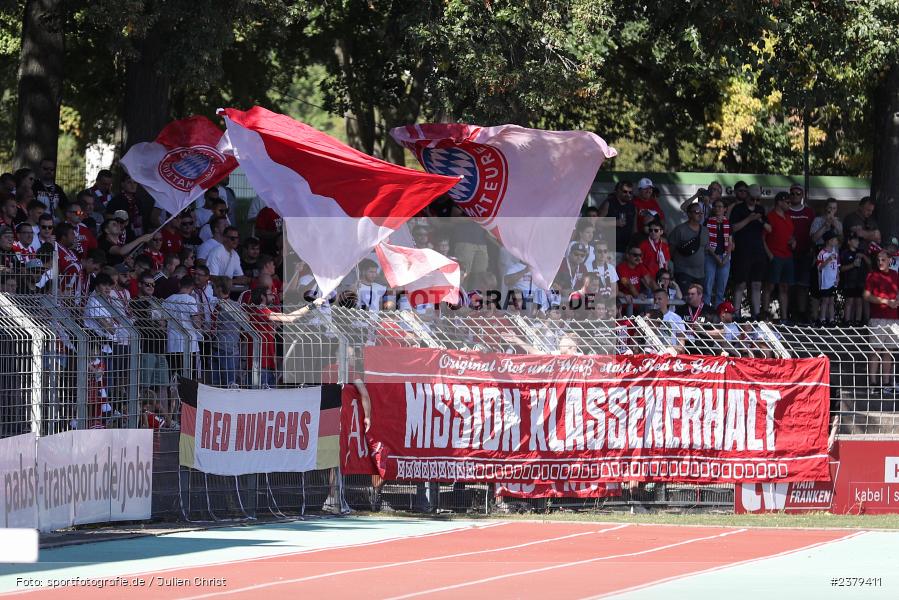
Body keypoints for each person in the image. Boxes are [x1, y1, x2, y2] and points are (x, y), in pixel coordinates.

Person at [728, 182, 770, 320]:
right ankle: (736, 313)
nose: (755, 202)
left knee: (757, 283)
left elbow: (770, 228)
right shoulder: (738, 209)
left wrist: (761, 221)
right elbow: (733, 228)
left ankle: (756, 314)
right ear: (747, 196)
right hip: (742, 251)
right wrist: (749, 219)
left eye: (758, 199)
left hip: (758, 251)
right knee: (741, 283)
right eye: (753, 199)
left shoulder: (760, 209)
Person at [864, 250, 899, 397]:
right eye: (878, 260)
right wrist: (886, 301)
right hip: (877, 318)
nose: (880, 262)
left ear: (889, 260)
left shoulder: (895, 275)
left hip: (894, 319)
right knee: (875, 352)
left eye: (883, 260)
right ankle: (872, 384)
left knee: (889, 352)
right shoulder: (872, 275)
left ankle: (886, 384)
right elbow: (866, 296)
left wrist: (896, 301)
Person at [764, 192, 796, 323]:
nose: (790, 204)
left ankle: (784, 318)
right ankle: (764, 316)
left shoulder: (788, 218)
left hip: (787, 256)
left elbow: (791, 235)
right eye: (787, 202)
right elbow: (763, 238)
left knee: (784, 287)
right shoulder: (770, 217)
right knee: (769, 287)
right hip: (775, 256)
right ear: (779, 202)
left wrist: (794, 241)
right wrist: (770, 255)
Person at [667, 203, 708, 296]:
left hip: (700, 274)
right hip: (683, 272)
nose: (700, 214)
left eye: (702, 212)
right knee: (685, 299)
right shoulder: (680, 229)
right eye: (697, 212)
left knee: (698, 301)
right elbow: (670, 250)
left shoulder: (705, 231)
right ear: (689, 214)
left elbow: (704, 250)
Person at [598, 180, 636, 261]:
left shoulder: (632, 206)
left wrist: (632, 247)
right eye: (625, 192)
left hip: (626, 250)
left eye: (630, 192)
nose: (628, 194)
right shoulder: (609, 203)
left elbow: (634, 229)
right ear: (618, 191)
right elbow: (596, 223)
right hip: (609, 248)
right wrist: (615, 223)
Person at [839, 232, 868, 325]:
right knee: (850, 301)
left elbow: (870, 263)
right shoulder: (844, 253)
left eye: (857, 240)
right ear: (849, 241)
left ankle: (858, 321)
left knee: (859, 302)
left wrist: (863, 256)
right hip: (849, 281)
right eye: (854, 240)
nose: (857, 242)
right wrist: (853, 265)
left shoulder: (861, 252)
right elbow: (841, 268)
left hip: (860, 281)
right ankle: (847, 321)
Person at [616, 245, 654, 315]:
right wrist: (637, 295)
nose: (638, 258)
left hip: (636, 305)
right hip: (623, 306)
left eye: (640, 255)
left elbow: (650, 281)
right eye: (635, 255)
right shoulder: (621, 267)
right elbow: (627, 283)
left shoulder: (640, 266)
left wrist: (660, 293)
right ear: (627, 255)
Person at [816, 232, 840, 326]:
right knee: (825, 300)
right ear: (829, 241)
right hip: (825, 281)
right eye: (835, 239)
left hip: (833, 280)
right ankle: (822, 318)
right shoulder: (822, 253)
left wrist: (838, 276)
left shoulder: (835, 252)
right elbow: (819, 267)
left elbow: (837, 266)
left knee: (831, 300)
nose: (837, 241)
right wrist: (828, 260)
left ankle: (831, 319)